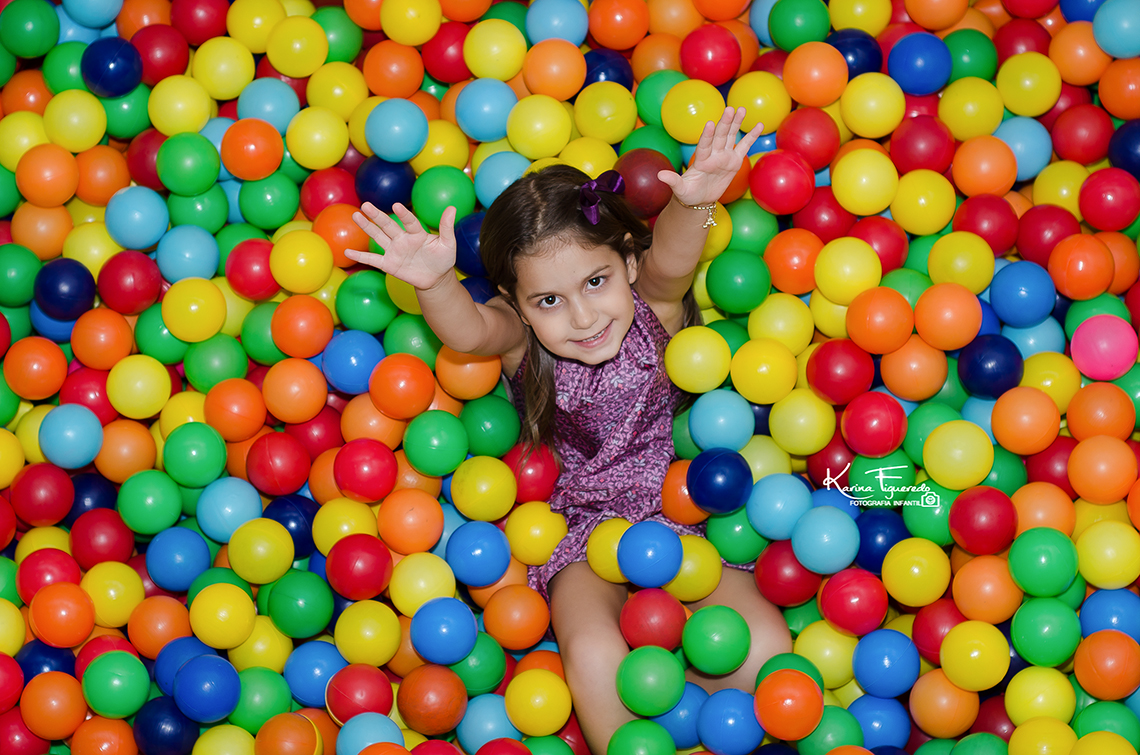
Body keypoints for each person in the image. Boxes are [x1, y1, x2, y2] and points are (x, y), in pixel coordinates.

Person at [349, 107, 792, 753]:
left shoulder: (655, 309)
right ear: (518, 303)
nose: (583, 316)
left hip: (686, 505)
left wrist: (693, 203)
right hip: (579, 524)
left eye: (596, 281)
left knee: (767, 647)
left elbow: (673, 259)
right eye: (549, 300)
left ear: (628, 265)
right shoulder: (520, 345)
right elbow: (470, 332)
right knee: (590, 650)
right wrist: (436, 284)